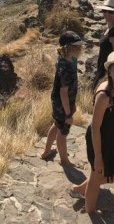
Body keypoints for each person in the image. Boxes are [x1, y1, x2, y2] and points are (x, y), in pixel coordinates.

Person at [70, 50, 114, 214]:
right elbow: (95, 127)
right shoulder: (104, 95)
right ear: (109, 71)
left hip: (113, 136)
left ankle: (79, 189)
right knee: (97, 176)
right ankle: (90, 211)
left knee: (105, 177)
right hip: (101, 139)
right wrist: (98, 157)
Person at [41, 30, 87, 166]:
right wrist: (68, 114)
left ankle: (46, 152)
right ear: (68, 48)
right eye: (77, 46)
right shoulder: (66, 67)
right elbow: (63, 92)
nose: (81, 48)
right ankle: (64, 160)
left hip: (60, 102)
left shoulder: (67, 59)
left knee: (57, 124)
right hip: (62, 104)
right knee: (63, 132)